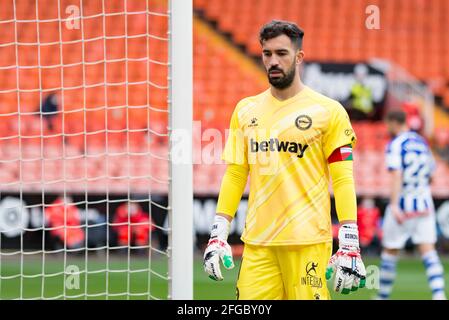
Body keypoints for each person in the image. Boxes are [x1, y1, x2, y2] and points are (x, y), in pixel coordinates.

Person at [203, 20, 366, 300]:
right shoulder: (245, 110)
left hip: (307, 243)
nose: (273, 61)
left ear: (299, 57)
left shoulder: (329, 111)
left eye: (282, 53)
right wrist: (218, 231)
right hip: (258, 243)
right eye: (267, 54)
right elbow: (235, 174)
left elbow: (342, 178)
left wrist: (349, 239)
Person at [377, 110, 446, 300]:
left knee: (390, 251)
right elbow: (432, 175)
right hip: (424, 204)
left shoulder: (395, 144)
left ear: (393, 122)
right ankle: (439, 295)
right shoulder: (422, 142)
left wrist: (394, 205)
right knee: (429, 252)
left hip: (403, 204)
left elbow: (396, 174)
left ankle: (382, 296)